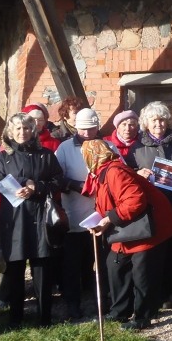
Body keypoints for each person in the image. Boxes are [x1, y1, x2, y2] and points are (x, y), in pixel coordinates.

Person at [84, 139, 172, 330]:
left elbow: (135, 201)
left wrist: (109, 220)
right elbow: (107, 203)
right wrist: (98, 221)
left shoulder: (114, 172)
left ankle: (143, 317)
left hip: (150, 227)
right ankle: (120, 312)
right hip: (130, 228)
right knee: (115, 265)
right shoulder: (102, 174)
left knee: (143, 272)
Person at [0, 113, 67, 329]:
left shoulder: (45, 154)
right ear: (10, 132)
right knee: (15, 269)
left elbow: (58, 180)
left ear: (32, 131)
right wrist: (23, 184)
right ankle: (16, 317)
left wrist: (38, 188)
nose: (22, 132)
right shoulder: (4, 157)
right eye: (17, 129)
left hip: (40, 216)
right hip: (15, 218)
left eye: (26, 128)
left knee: (42, 267)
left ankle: (45, 318)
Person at [127, 101, 172, 304]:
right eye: (154, 120)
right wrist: (137, 173)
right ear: (146, 123)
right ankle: (151, 292)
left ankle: (167, 291)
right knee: (151, 252)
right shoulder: (136, 148)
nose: (159, 123)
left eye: (162, 120)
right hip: (149, 208)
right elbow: (126, 174)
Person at [56, 107, 112, 322]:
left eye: (91, 128)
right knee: (73, 263)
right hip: (75, 214)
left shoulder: (108, 145)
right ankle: (73, 304)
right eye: (83, 128)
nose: (87, 132)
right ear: (75, 127)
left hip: (102, 215)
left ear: (97, 126)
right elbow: (56, 177)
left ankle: (105, 302)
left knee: (104, 261)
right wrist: (75, 185)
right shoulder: (64, 149)